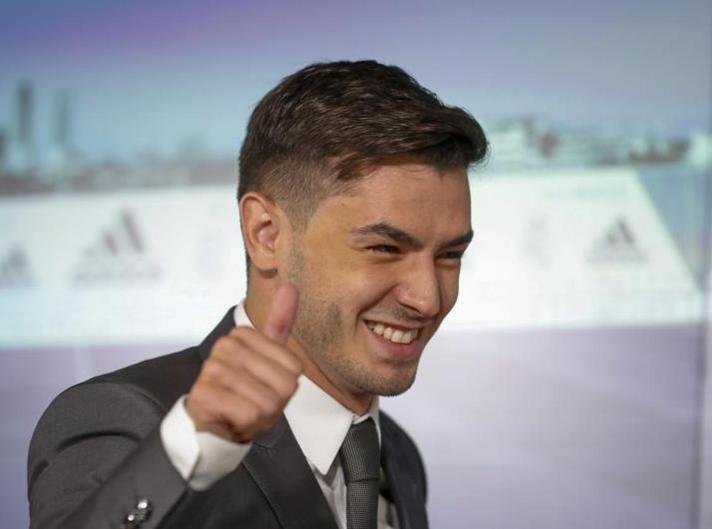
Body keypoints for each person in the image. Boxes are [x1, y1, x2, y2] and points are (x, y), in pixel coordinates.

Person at [27, 60, 488, 529]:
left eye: (450, 255)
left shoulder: (398, 457)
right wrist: (191, 448)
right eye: (385, 248)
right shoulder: (128, 421)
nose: (428, 298)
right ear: (266, 234)